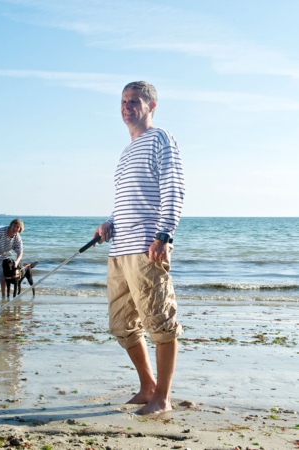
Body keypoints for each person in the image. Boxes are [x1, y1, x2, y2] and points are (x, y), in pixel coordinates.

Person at [93, 81, 185, 415]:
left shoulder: (161, 138)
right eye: (123, 101)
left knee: (160, 323)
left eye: (134, 101)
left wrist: (164, 234)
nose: (127, 106)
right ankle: (147, 387)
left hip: (148, 248)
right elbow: (127, 203)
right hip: (119, 252)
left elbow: (174, 188)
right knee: (122, 326)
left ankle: (163, 397)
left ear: (151, 106)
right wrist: (109, 224)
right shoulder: (126, 151)